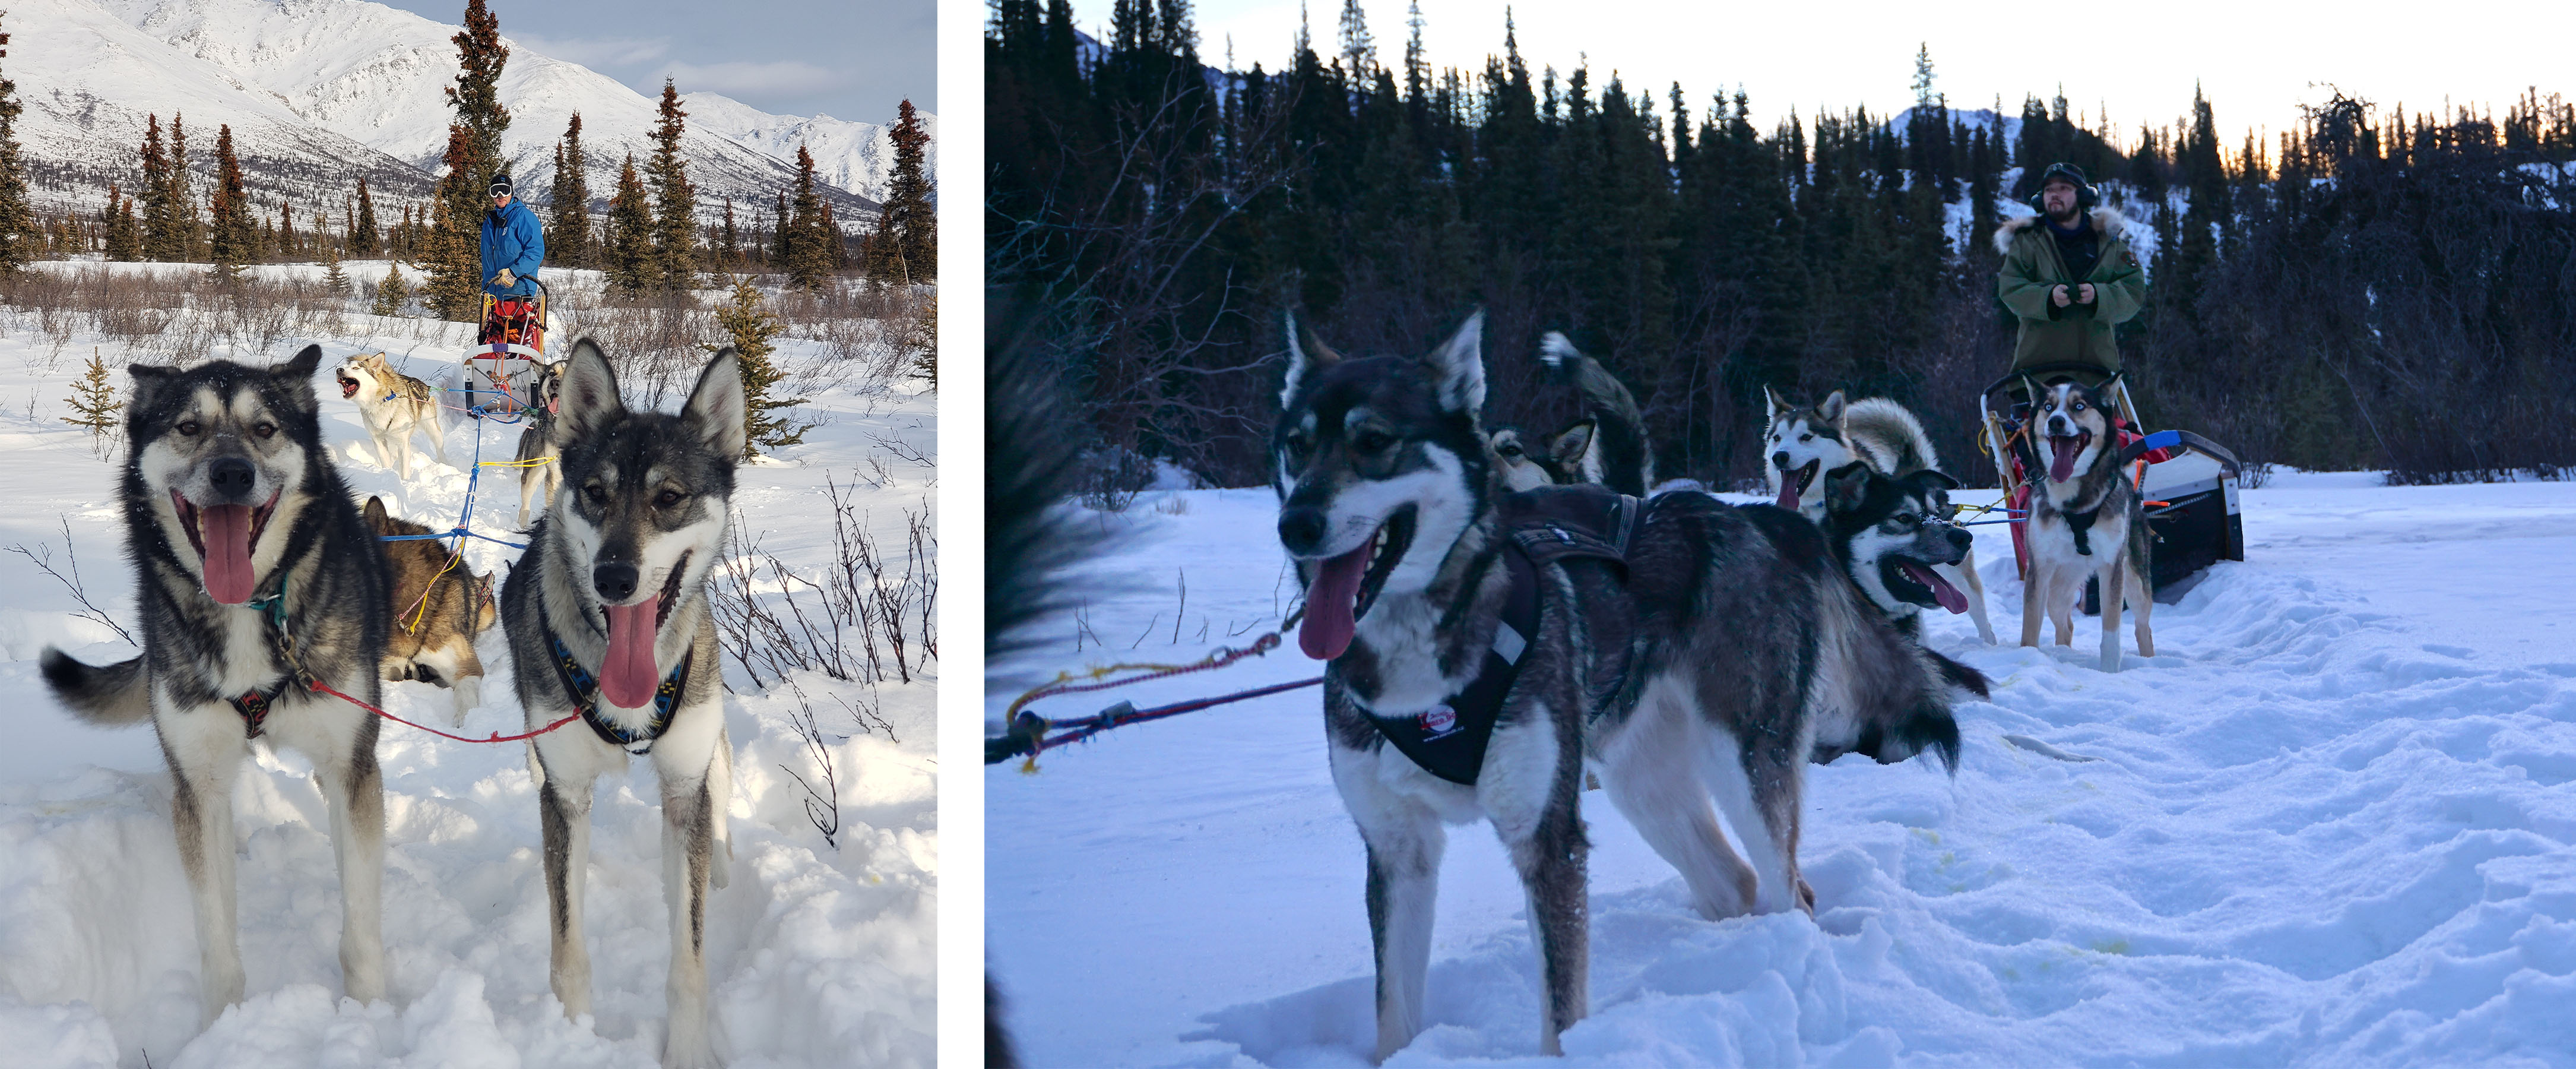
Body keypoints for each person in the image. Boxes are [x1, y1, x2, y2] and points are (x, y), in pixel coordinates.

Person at [1994, 162, 2144, 384]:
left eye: (2064, 188)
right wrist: (2048, 298)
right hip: (2037, 376)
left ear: (2083, 196)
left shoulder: (2109, 240)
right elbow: (2010, 290)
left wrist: (2098, 296)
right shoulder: (2026, 241)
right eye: (2049, 189)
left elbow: (2134, 292)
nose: (2054, 194)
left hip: (2098, 376)